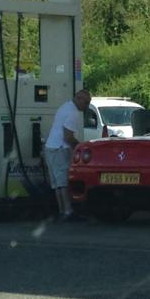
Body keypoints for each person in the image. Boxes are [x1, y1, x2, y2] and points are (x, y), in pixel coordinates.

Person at [44, 89, 92, 220]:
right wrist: (80, 147)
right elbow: (68, 137)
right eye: (86, 102)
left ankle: (62, 211)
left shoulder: (64, 106)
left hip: (50, 147)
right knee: (63, 182)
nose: (87, 106)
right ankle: (68, 211)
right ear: (78, 98)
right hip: (60, 148)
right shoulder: (73, 113)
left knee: (57, 184)